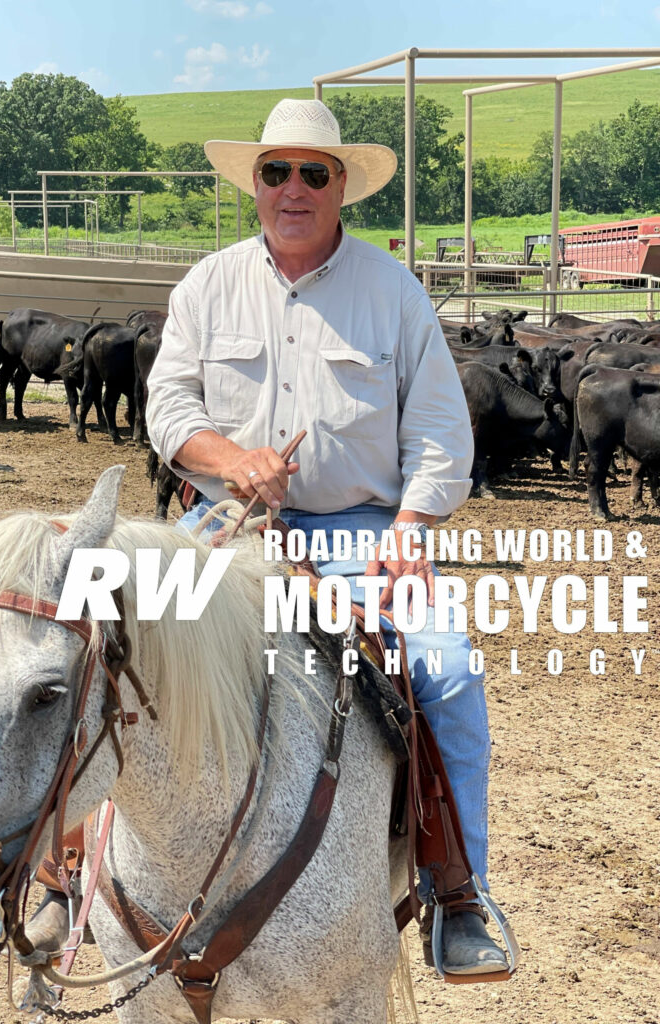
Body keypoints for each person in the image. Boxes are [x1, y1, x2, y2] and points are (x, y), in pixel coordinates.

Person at [145, 98, 507, 976]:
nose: (294, 188)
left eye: (314, 172)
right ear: (255, 185)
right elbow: (169, 408)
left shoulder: (393, 292)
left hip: (361, 531)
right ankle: (65, 872)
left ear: (342, 185)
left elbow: (439, 437)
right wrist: (233, 461)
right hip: (225, 526)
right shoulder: (207, 284)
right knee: (105, 639)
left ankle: (457, 893)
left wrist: (412, 528)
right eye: (277, 172)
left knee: (448, 670)